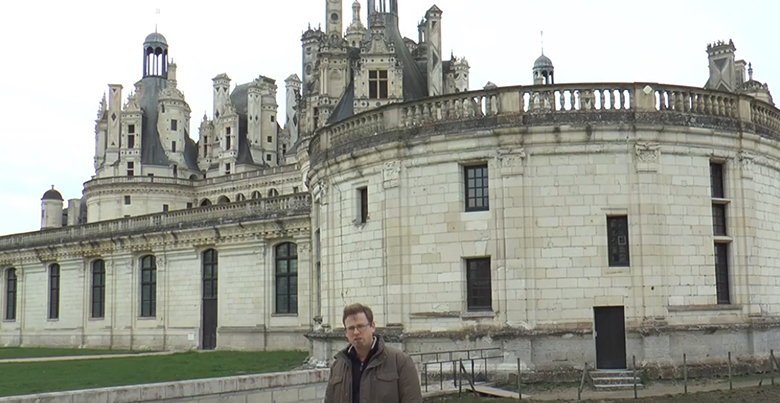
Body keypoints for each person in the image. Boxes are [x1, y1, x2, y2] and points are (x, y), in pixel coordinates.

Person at [324, 303, 423, 403]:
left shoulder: (400, 362)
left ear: (372, 327)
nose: (356, 332)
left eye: (360, 326)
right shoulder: (338, 365)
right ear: (346, 333)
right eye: (351, 328)